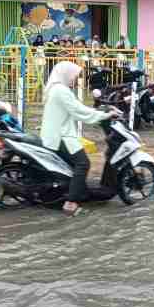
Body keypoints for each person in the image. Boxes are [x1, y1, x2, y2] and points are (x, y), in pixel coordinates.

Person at [40, 61, 117, 216]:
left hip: (53, 133)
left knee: (74, 165)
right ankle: (71, 202)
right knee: (83, 164)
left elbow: (76, 108)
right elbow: (78, 111)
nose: (74, 79)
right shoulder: (61, 90)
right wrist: (105, 115)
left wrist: (100, 111)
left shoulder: (55, 88)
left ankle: (76, 192)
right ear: (65, 74)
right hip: (60, 136)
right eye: (73, 76)